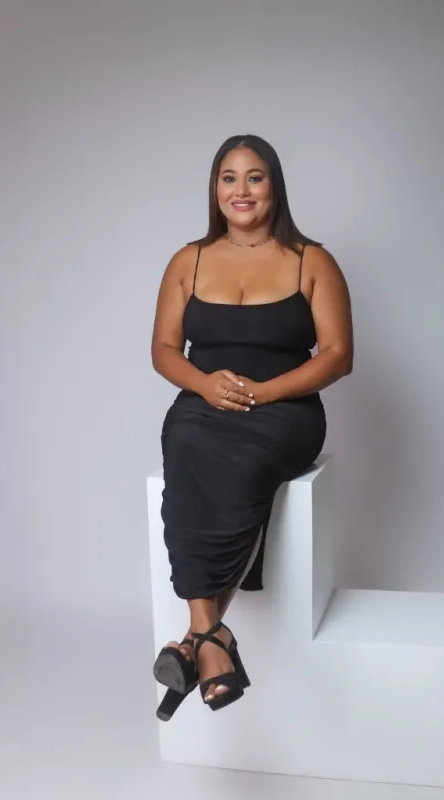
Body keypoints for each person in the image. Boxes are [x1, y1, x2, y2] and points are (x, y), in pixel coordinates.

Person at [150, 134, 354, 721]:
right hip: (204, 403)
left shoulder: (312, 260)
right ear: (215, 189)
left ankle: (200, 638)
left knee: (241, 465)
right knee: (186, 442)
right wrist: (203, 384)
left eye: (255, 177)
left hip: (286, 409)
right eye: (229, 178)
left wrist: (264, 392)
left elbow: (337, 355)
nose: (242, 190)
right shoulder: (188, 260)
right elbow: (164, 350)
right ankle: (210, 636)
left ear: (274, 186)